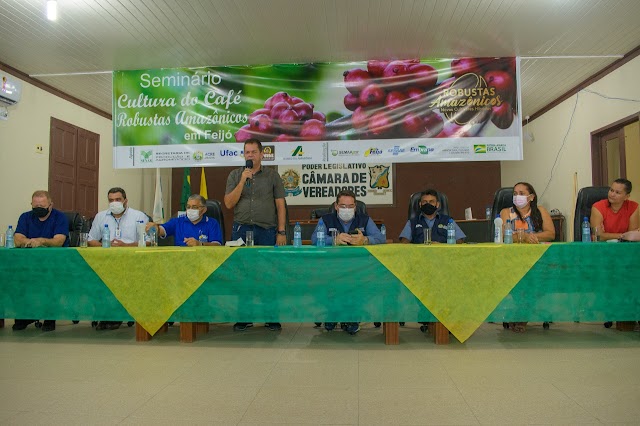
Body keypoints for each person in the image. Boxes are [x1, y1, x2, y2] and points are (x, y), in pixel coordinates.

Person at [224, 139, 287, 332]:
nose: (250, 155)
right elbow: (228, 203)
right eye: (247, 152)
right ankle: (245, 317)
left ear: (261, 154)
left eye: (253, 152)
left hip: (266, 230)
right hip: (241, 230)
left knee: (268, 275)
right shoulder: (235, 175)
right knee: (243, 275)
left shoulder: (272, 176)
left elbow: (280, 205)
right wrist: (243, 180)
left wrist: (281, 231)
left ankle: (271, 317)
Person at [311, 189, 386, 335]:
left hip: (357, 267)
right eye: (343, 206)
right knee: (330, 283)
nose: (347, 209)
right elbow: (315, 239)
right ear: (336, 206)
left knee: (355, 284)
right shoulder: (326, 220)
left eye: (351, 206)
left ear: (355, 207)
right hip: (332, 266)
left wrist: (365, 239)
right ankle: (332, 314)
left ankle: (352, 318)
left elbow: (380, 238)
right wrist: (333, 240)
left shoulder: (364, 219)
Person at [88, 187, 149, 330]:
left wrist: (125, 247)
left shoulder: (139, 216)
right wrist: (106, 246)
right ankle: (105, 315)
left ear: (125, 201)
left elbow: (147, 242)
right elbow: (91, 240)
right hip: (106, 261)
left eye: (118, 200)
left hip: (132, 262)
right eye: (111, 200)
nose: (114, 202)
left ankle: (116, 315)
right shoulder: (100, 216)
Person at [499, 181, 555, 333]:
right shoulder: (506, 212)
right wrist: (524, 237)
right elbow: (505, 235)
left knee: (535, 280)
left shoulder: (540, 211)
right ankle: (522, 314)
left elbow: (550, 233)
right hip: (514, 260)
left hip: (538, 259)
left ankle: (521, 315)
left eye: (522, 193)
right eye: (515, 193)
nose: (518, 196)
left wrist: (531, 236)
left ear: (531, 197)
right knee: (519, 281)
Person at [13, 190, 69, 332]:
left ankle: (50, 317)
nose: (38, 209)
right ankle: (23, 316)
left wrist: (42, 240)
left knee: (50, 280)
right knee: (15, 279)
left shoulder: (60, 217)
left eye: (42, 206)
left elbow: (59, 241)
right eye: (35, 206)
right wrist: (29, 241)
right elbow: (17, 238)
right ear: (31, 204)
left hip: (55, 264)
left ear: (50, 205)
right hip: (29, 264)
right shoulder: (25, 217)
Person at [146, 194, 222, 246]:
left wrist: (200, 244)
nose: (190, 210)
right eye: (188, 207)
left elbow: (217, 245)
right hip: (180, 261)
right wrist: (155, 228)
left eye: (194, 207)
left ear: (204, 209)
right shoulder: (177, 222)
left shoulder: (212, 223)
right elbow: (162, 230)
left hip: (204, 261)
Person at [399, 189, 466, 244]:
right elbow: (404, 242)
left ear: (437, 204)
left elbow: (460, 240)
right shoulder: (412, 222)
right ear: (420, 204)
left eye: (431, 202)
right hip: (419, 257)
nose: (428, 204)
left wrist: (442, 246)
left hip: (443, 256)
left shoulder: (448, 221)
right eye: (425, 202)